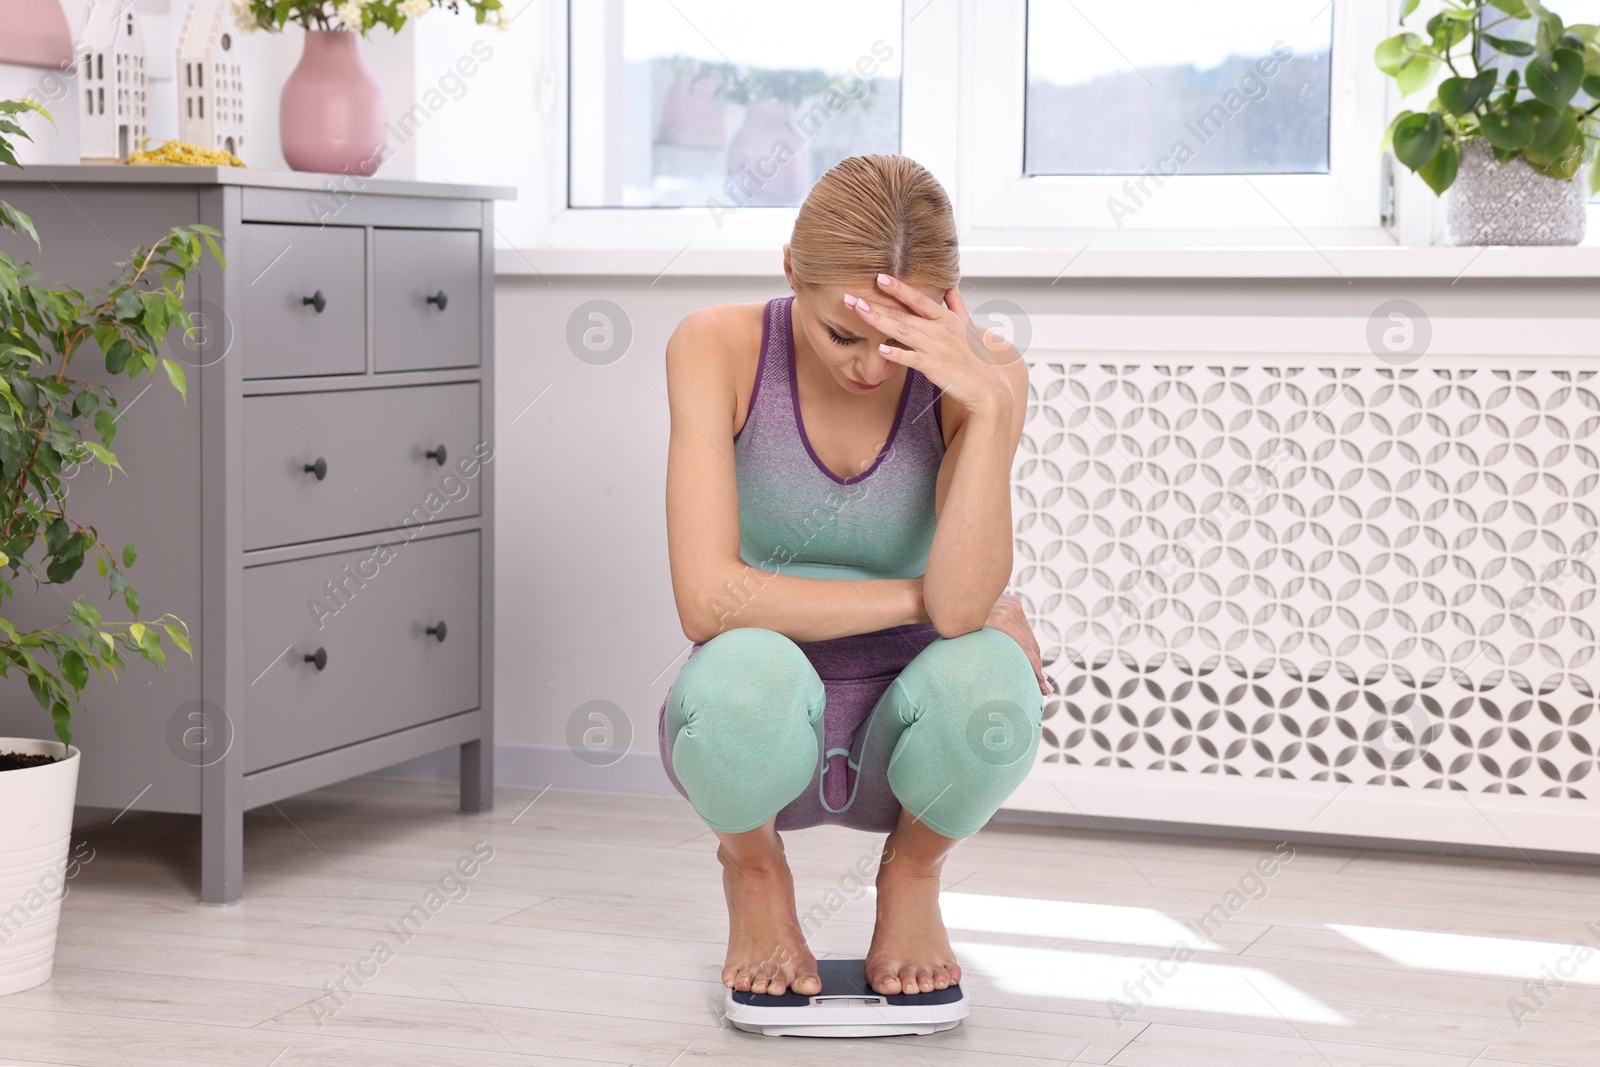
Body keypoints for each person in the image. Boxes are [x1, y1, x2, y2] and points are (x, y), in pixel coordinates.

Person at [658, 153, 1048, 1001]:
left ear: (945, 307)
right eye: (844, 332)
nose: (871, 367)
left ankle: (913, 878)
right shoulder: (714, 347)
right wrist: (941, 602)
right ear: (791, 269)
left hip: (909, 729)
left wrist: (989, 406)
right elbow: (707, 601)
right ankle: (754, 873)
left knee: (996, 683)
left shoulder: (986, 375)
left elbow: (962, 608)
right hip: (753, 727)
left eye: (900, 340)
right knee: (743, 676)